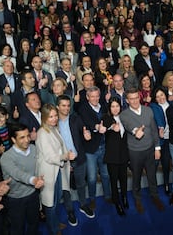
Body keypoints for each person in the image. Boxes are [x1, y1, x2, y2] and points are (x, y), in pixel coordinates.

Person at [120, 88, 164, 214]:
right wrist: (135, 131)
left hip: (150, 149)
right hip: (135, 152)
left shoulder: (148, 110)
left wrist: (157, 148)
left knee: (152, 175)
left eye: (136, 98)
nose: (134, 101)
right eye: (131, 99)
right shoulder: (124, 114)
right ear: (127, 101)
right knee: (136, 177)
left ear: (139, 97)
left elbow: (154, 130)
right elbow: (129, 126)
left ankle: (155, 196)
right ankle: (137, 199)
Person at [36, 104, 75, 235]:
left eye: (55, 116)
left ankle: (55, 223)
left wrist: (65, 157)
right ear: (44, 117)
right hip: (48, 173)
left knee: (56, 199)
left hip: (57, 170)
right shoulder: (42, 133)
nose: (54, 119)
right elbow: (49, 157)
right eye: (50, 116)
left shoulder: (53, 128)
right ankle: (53, 229)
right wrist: (66, 156)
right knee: (50, 203)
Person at [57, 95, 95, 226]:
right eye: (63, 105)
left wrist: (87, 135)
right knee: (66, 189)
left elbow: (84, 131)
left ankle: (83, 204)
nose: (67, 108)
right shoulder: (52, 123)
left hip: (79, 158)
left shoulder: (75, 118)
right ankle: (70, 210)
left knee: (81, 184)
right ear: (57, 106)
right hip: (62, 161)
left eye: (68, 105)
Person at [0, 123, 44, 235]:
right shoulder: (6, 157)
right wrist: (34, 180)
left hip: (33, 195)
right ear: (13, 140)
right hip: (16, 199)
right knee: (17, 227)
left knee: (34, 223)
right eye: (22, 137)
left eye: (28, 136)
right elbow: (17, 174)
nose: (27, 140)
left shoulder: (34, 149)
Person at [78, 86, 111, 207]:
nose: (95, 98)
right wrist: (97, 127)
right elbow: (88, 122)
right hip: (91, 149)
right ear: (87, 97)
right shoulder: (83, 109)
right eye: (92, 96)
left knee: (105, 174)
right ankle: (92, 198)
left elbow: (108, 121)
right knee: (91, 177)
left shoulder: (103, 106)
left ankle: (108, 196)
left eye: (97, 96)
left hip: (104, 146)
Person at [102, 97, 129, 216]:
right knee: (113, 180)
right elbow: (107, 126)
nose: (115, 108)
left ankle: (124, 197)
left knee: (123, 179)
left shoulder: (124, 117)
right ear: (109, 108)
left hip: (123, 154)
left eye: (117, 106)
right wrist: (113, 127)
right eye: (112, 106)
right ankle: (116, 201)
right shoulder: (106, 118)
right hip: (112, 156)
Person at [150, 87, 171, 195]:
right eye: (157, 96)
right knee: (154, 164)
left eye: (162, 95)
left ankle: (167, 184)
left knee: (166, 163)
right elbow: (158, 119)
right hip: (158, 140)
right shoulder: (154, 106)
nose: (160, 98)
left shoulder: (172, 105)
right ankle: (153, 188)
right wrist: (160, 127)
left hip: (169, 139)